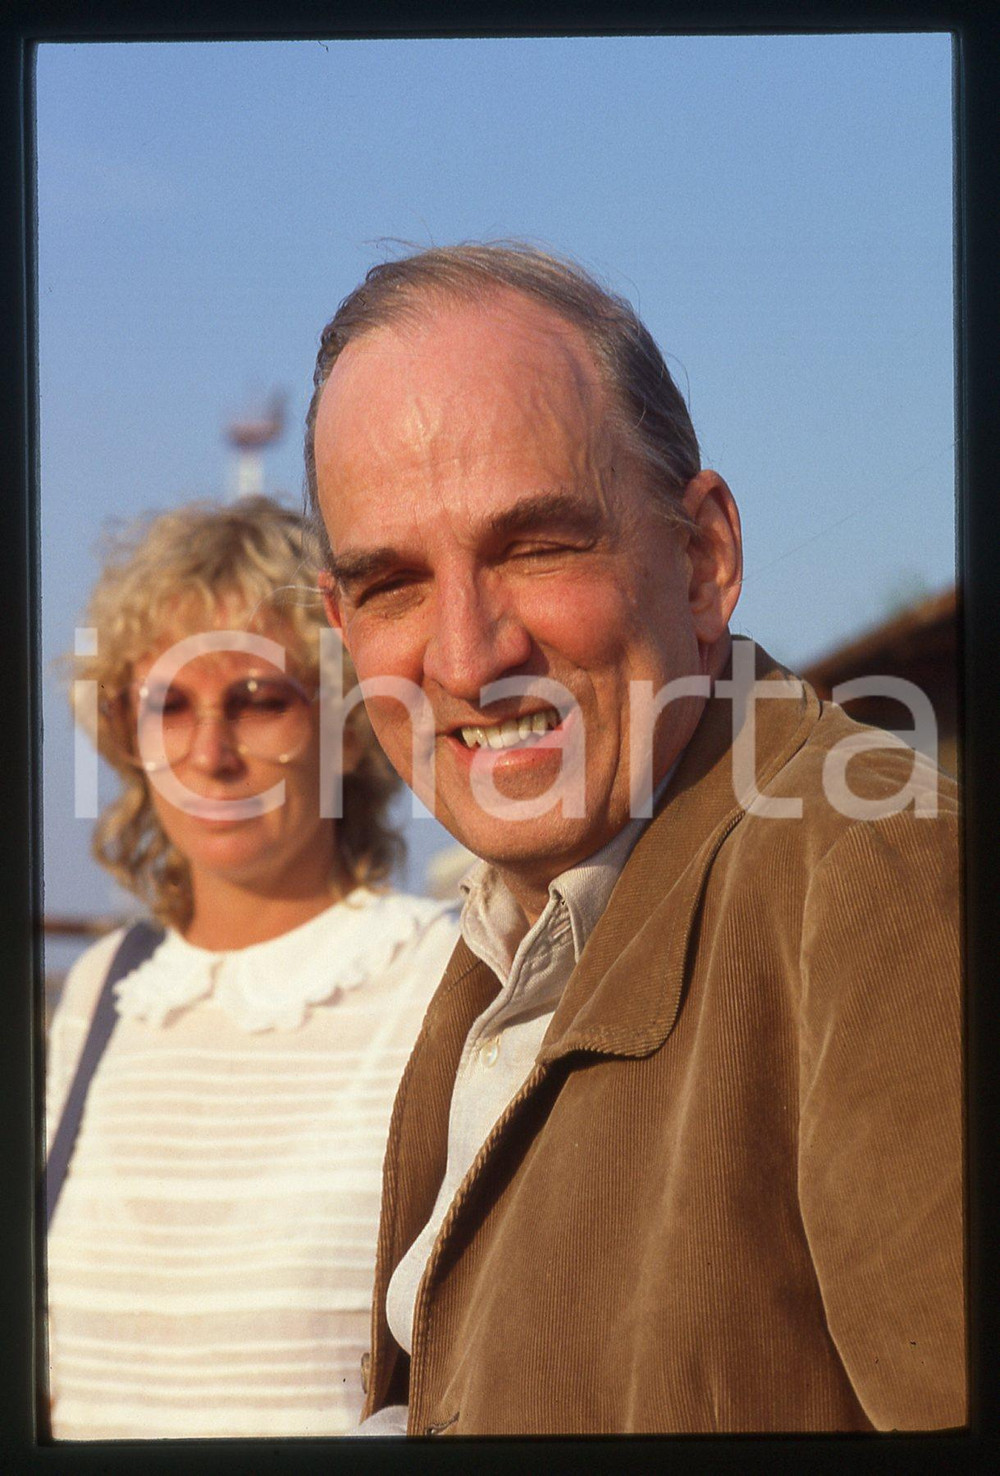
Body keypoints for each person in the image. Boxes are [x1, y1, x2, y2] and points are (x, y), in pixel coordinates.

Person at [306, 244, 964, 1435]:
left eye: (536, 546)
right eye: (392, 583)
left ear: (703, 557)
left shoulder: (868, 866)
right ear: (338, 622)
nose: (464, 656)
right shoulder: (513, 937)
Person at [45, 496, 458, 1439]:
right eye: (167, 705)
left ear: (348, 726)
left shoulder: (445, 976)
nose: (208, 754)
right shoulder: (102, 991)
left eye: (259, 699)